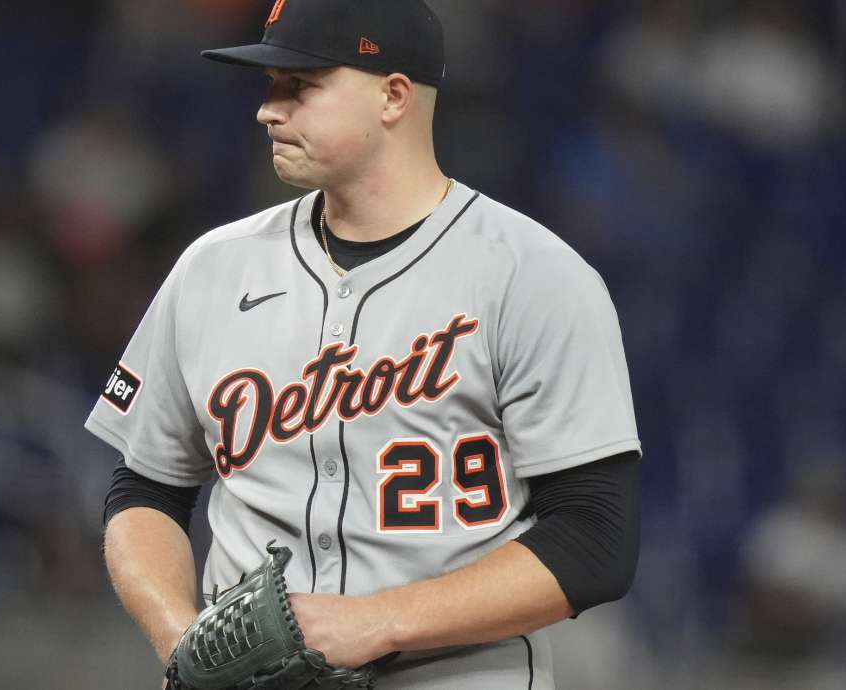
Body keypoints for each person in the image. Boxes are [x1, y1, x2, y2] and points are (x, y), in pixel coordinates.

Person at [86, 1, 642, 687]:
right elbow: (143, 489)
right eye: (269, 85)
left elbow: (595, 539)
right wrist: (185, 648)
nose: (268, 109)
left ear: (394, 96)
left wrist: (377, 620)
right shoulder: (212, 269)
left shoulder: (533, 276)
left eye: (302, 85)